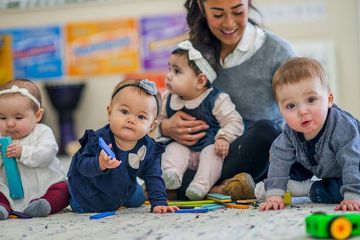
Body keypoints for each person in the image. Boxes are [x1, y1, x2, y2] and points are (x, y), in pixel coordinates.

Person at [157, 0, 295, 200]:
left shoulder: (278, 52)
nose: (229, 23)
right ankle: (219, 188)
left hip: (249, 152)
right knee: (154, 151)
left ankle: (200, 187)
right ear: (202, 7)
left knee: (267, 132)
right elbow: (165, 103)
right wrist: (166, 127)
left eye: (238, 11)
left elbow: (300, 108)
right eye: (218, 14)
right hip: (198, 152)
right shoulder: (194, 53)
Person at [259, 57, 360, 212]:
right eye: (291, 105)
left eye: (311, 99)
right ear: (280, 111)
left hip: (354, 167)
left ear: (329, 99)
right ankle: (276, 186)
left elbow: (352, 161)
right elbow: (279, 158)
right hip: (319, 164)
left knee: (343, 189)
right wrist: (274, 194)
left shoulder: (342, 126)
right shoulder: (290, 133)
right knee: (279, 160)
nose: (302, 111)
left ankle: (307, 189)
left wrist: (352, 196)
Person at [67, 79, 179, 214]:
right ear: (109, 113)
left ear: (151, 126)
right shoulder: (98, 140)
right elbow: (81, 166)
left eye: (141, 117)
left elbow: (153, 176)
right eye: (124, 112)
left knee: (139, 199)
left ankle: (127, 192)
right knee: (81, 206)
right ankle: (65, 190)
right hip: (90, 191)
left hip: (121, 187)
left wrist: (159, 203)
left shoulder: (149, 148)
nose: (131, 120)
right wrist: (99, 163)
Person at [160, 40, 244, 200]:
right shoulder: (168, 99)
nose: (169, 75)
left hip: (208, 146)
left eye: (177, 71)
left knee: (213, 153)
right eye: (169, 68)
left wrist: (224, 137)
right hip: (183, 150)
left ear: (200, 81)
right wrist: (164, 126)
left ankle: (200, 185)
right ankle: (171, 175)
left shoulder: (216, 99)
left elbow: (234, 121)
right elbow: (156, 121)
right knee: (173, 149)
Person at [0, 79, 69, 220]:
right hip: (9, 190)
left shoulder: (42, 132)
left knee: (65, 190)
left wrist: (23, 152)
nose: (10, 123)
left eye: (18, 117)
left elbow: (47, 154)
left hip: (46, 185)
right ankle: (3, 208)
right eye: (2, 117)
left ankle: (44, 205)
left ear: (37, 116)